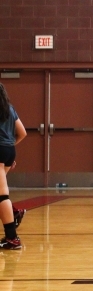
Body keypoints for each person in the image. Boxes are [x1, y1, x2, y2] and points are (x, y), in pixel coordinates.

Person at [0, 84, 27, 250]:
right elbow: (22, 132)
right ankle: (14, 212)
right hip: (9, 151)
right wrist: (9, 147)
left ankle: (12, 238)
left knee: (1, 196)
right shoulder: (9, 108)